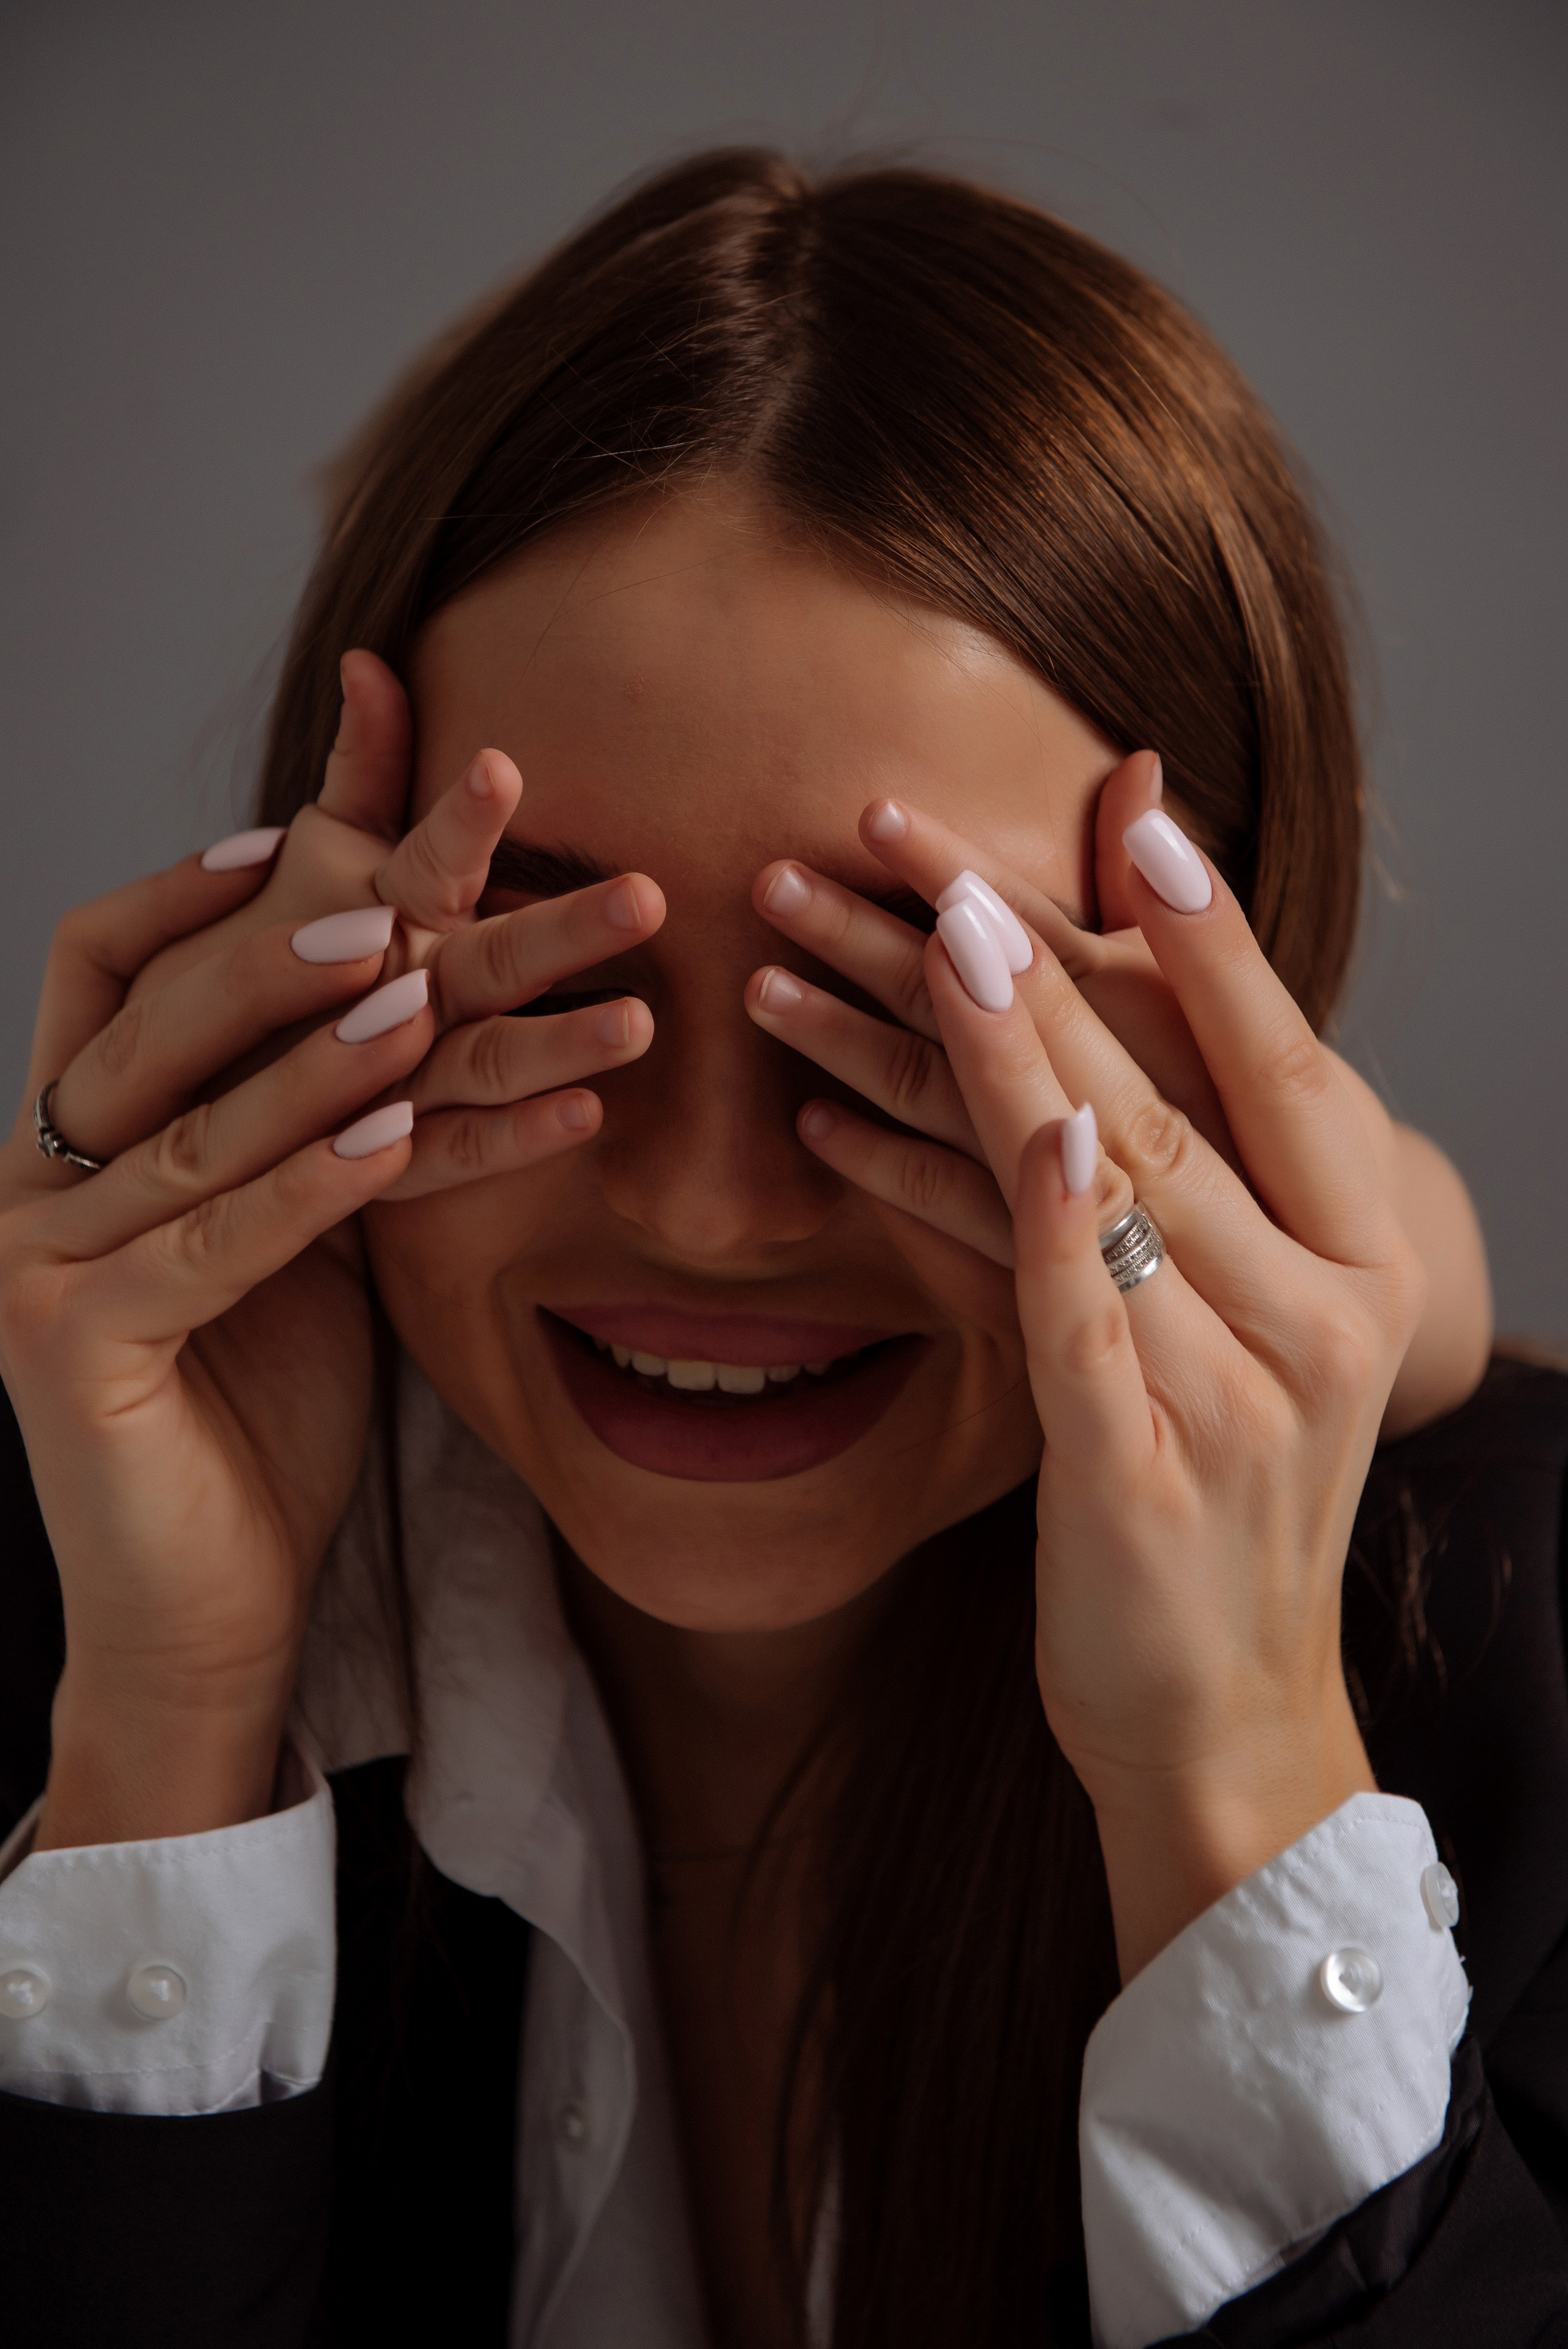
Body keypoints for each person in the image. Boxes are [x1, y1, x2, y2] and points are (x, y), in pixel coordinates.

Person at [0, 150, 1562, 2349]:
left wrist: (1230, 1782)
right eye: (544, 971)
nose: (711, 1204)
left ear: (1225, 1033)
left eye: (921, 995)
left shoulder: (1522, 1664)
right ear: (316, 952)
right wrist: (163, 1730)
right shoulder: (79, 1632)